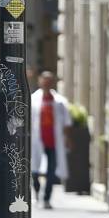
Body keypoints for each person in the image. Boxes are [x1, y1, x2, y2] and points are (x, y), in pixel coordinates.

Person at [30, 71, 71, 209]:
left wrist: (67, 139)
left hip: (53, 142)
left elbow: (66, 122)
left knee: (51, 171)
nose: (46, 83)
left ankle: (47, 198)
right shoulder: (33, 100)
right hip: (36, 141)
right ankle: (36, 191)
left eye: (49, 81)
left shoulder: (59, 101)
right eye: (44, 80)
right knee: (34, 169)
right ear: (39, 81)